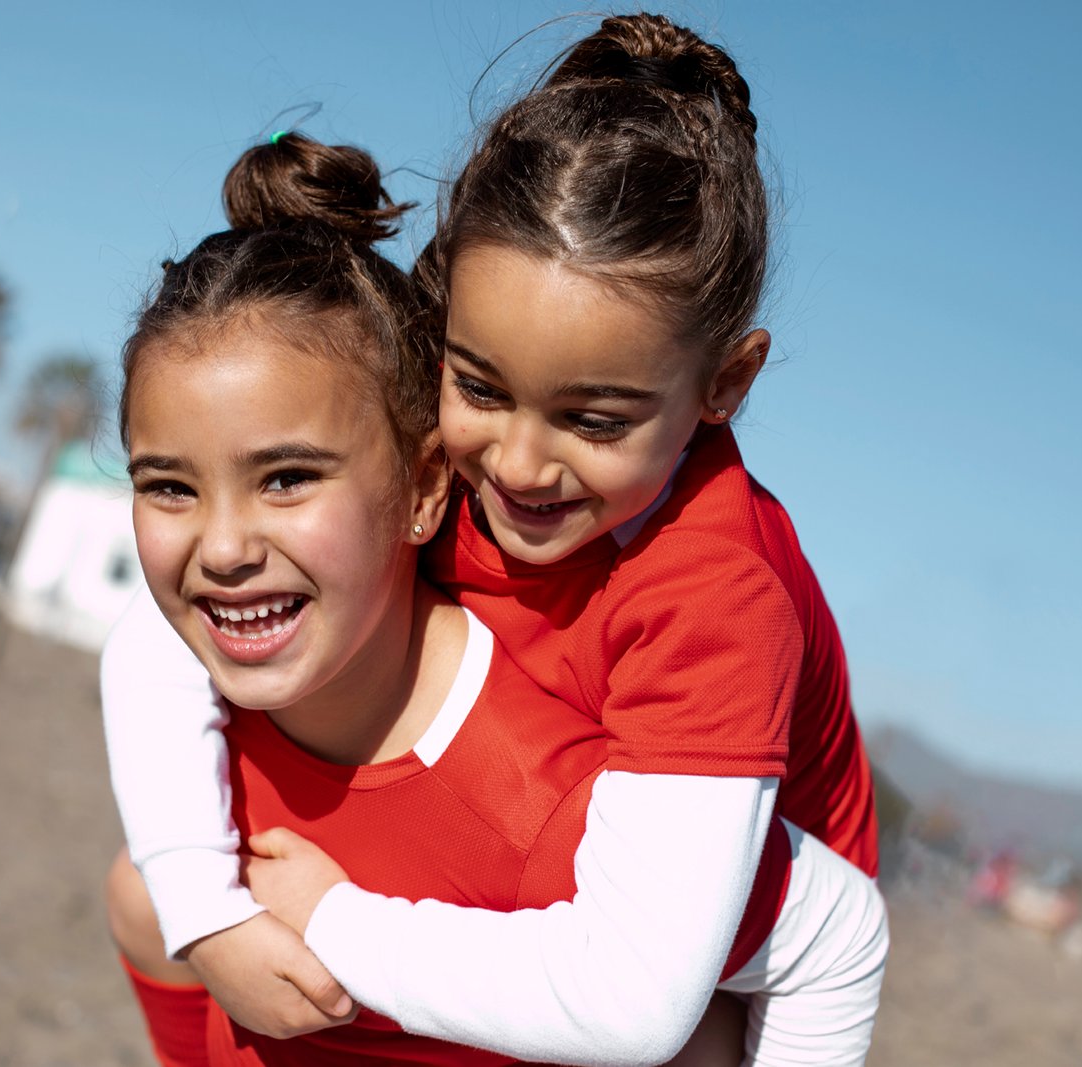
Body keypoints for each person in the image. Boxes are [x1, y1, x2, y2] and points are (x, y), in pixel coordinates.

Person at [106, 14, 888, 1066]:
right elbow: (181, 612)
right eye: (480, 387)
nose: (517, 462)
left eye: (595, 419)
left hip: (724, 928)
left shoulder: (710, 595)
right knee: (142, 887)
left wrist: (343, 920)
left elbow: (733, 967)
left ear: (726, 385)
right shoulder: (443, 456)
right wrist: (203, 908)